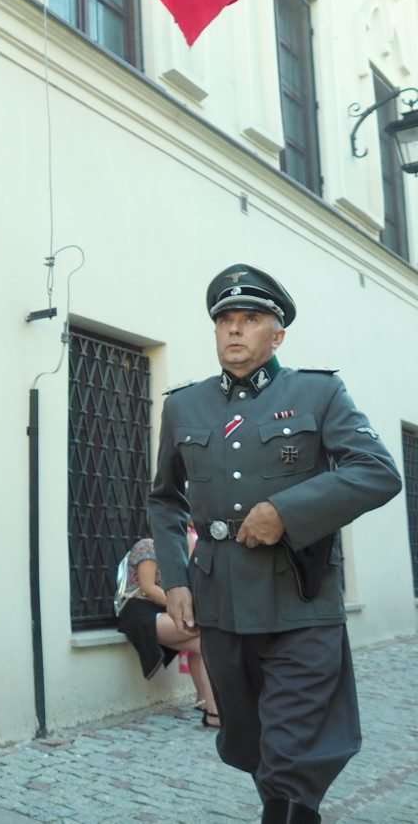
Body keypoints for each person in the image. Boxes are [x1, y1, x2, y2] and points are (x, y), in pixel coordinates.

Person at [148, 264, 401, 824]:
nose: (235, 330)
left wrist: (286, 512)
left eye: (250, 319)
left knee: (293, 751)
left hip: (299, 601)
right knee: (254, 744)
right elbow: (164, 500)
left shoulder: (318, 393)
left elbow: (378, 472)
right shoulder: (185, 406)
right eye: (226, 321)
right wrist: (176, 579)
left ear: (278, 335)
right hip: (221, 604)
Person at [115, 536, 220, 727]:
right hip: (139, 612)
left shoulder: (176, 554)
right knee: (207, 632)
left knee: (205, 645)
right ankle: (213, 711)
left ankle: (206, 703)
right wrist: (182, 608)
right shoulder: (148, 546)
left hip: (158, 610)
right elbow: (148, 588)